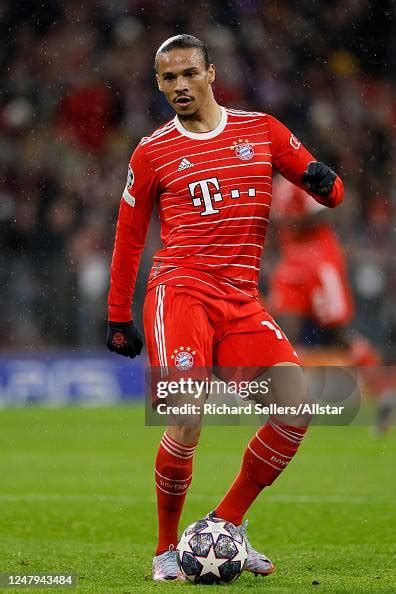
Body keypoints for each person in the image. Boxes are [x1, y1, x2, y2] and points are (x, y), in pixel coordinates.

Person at [106, 34, 344, 582]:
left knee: (295, 407)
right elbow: (128, 237)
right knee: (187, 414)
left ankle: (223, 528)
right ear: (158, 84)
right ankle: (167, 550)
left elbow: (324, 188)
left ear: (211, 73)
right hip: (180, 291)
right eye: (168, 78)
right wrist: (119, 314)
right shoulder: (151, 151)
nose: (179, 86)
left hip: (240, 298)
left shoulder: (260, 130)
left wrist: (325, 183)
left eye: (189, 73)